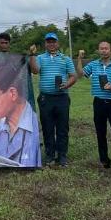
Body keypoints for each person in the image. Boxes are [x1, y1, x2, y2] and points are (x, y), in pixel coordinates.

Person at [76, 41, 111, 169]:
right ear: (98, 51)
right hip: (98, 102)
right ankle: (104, 160)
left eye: (106, 48)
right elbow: (81, 74)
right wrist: (79, 59)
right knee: (100, 132)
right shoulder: (93, 64)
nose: (104, 51)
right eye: (101, 49)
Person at [28, 32, 76, 167]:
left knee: (62, 128)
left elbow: (73, 76)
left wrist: (67, 84)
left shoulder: (65, 59)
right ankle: (49, 155)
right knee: (47, 127)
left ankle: (62, 156)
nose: (51, 44)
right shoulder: (40, 58)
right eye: (48, 42)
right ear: (45, 44)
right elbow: (35, 70)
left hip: (62, 98)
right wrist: (32, 55)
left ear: (57, 43)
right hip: (46, 98)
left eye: (53, 41)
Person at [0, 31, 36, 110]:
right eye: (2, 43)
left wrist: (32, 54)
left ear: (9, 44)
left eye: (6, 43)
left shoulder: (17, 58)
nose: (4, 45)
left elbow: (33, 70)